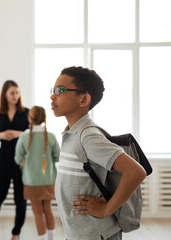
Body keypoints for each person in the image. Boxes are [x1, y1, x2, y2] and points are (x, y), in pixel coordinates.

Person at [50, 66, 146, 240]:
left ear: (83, 99)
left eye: (60, 90)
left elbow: (136, 172)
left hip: (95, 234)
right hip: (79, 233)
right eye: (53, 90)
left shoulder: (88, 136)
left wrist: (106, 209)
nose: (52, 95)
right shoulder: (72, 134)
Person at [0, 80, 29, 240]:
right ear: (5, 95)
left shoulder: (26, 113)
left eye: (17, 92)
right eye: (12, 93)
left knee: (20, 199)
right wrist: (2, 135)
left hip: (22, 161)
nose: (15, 95)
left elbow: (33, 135)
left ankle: (16, 233)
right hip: (3, 159)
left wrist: (16, 133)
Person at [15, 106, 60, 240]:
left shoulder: (23, 136)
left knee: (38, 212)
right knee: (48, 209)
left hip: (31, 181)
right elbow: (57, 156)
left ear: (30, 118)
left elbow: (18, 159)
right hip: (49, 180)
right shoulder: (51, 136)